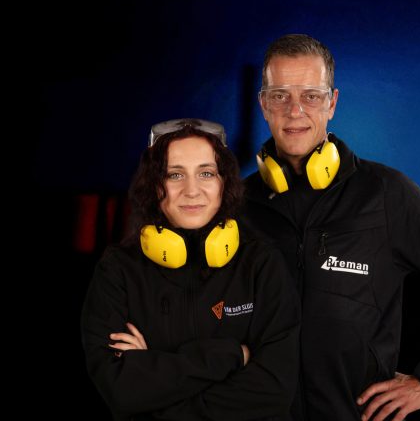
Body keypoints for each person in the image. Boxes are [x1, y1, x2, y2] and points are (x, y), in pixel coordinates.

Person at [242, 34, 420, 421]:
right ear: (263, 104)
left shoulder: (384, 193)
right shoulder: (237, 205)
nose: (295, 111)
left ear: (332, 103)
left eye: (311, 96)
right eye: (280, 96)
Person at [81, 118, 300, 420]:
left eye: (206, 173)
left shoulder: (261, 262)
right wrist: (232, 355)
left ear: (224, 183)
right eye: (174, 175)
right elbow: (120, 389)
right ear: (154, 185)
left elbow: (274, 389)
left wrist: (151, 374)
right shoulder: (118, 269)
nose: (192, 190)